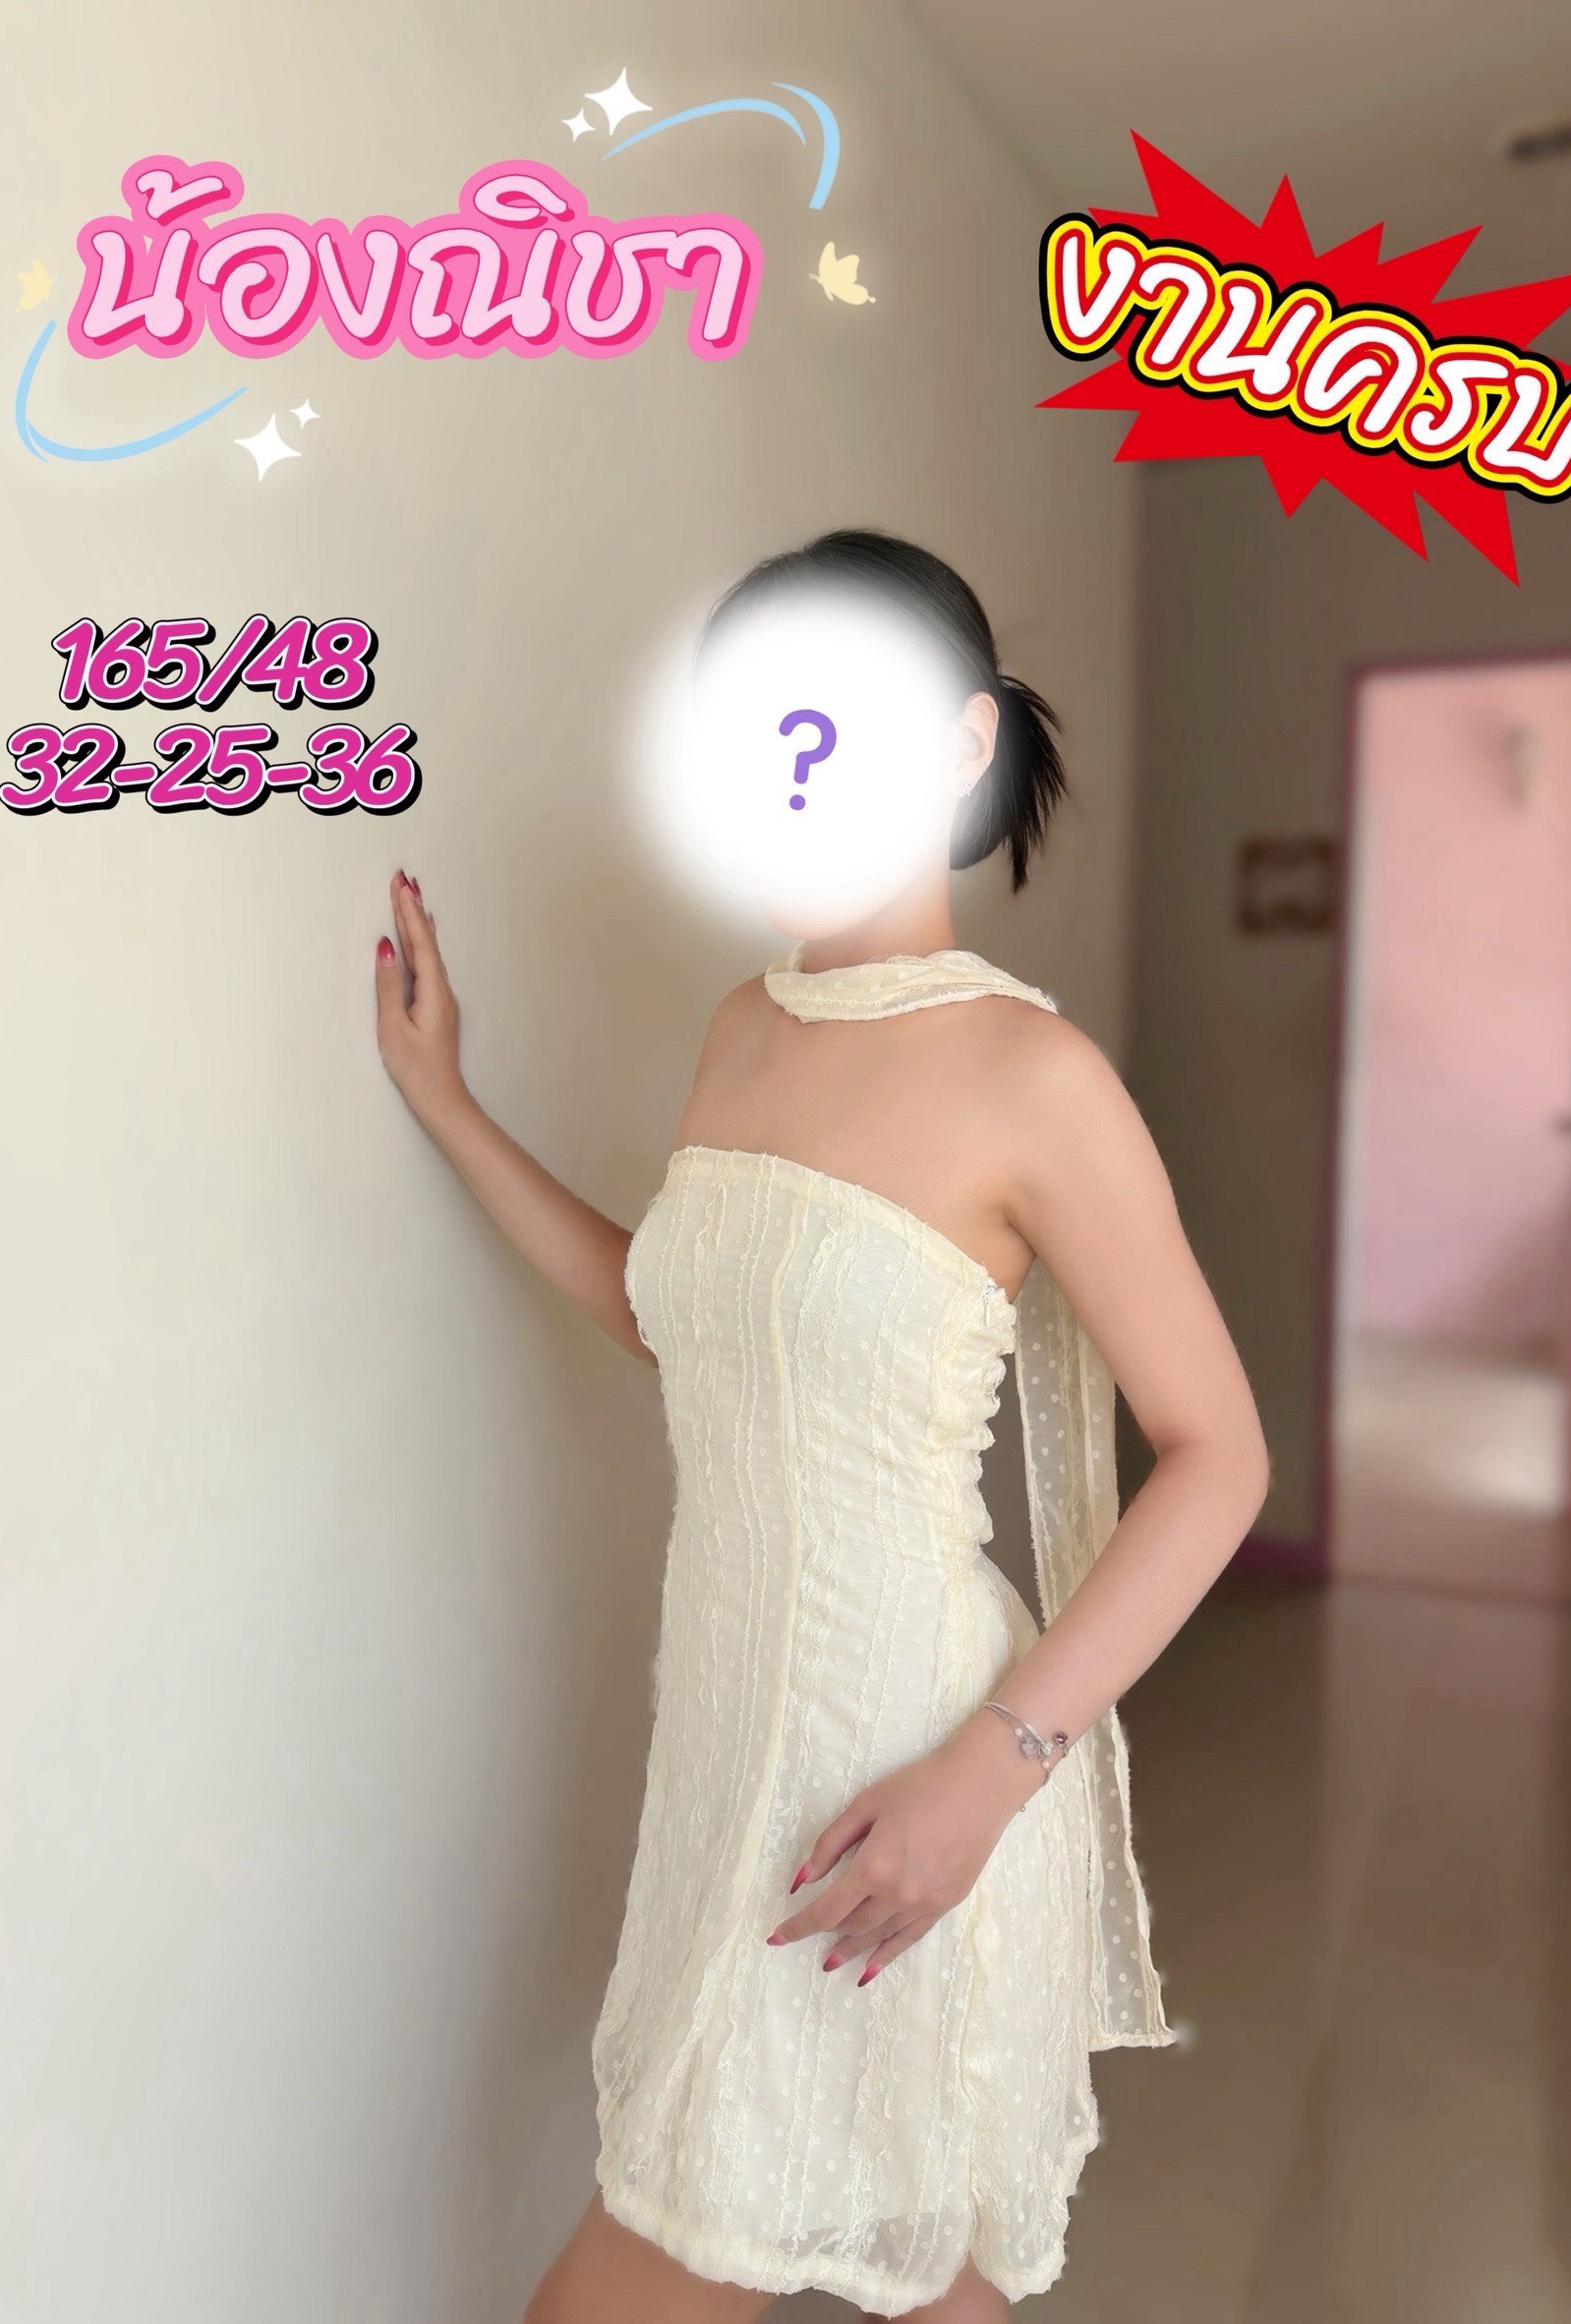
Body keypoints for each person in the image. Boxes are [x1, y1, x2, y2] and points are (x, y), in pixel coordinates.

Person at [373, 530, 1269, 2322]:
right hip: (729, 1750)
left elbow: (1219, 1456)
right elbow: (688, 1327)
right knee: (914, 2274)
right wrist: (450, 1106)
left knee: (703, 2272)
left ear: (956, 745)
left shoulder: (1031, 1077)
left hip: (901, 1764)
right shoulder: (745, 1027)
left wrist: (989, 1772)